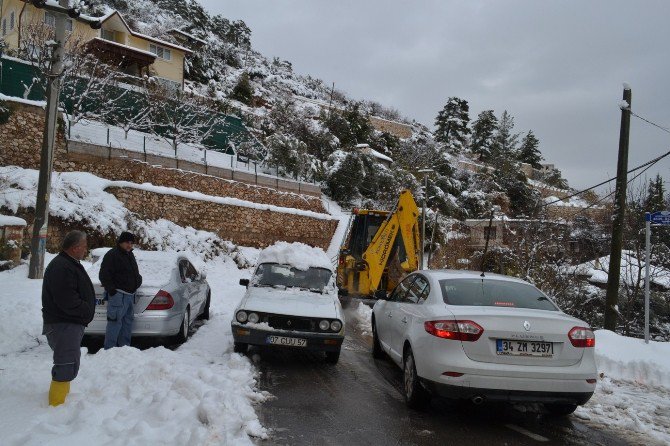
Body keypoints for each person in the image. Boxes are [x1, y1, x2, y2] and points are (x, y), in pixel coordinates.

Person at [42, 230, 95, 407]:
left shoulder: (68, 263)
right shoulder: (62, 267)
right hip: (63, 324)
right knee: (66, 363)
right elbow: (67, 299)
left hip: (68, 323)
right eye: (84, 246)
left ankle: (61, 402)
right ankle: (56, 405)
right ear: (75, 247)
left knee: (69, 361)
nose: (86, 250)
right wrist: (86, 309)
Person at [100, 231, 142, 349]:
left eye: (131, 243)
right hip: (118, 296)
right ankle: (109, 350)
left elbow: (134, 272)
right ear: (120, 242)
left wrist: (138, 280)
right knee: (114, 323)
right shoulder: (112, 255)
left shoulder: (129, 254)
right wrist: (112, 290)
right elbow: (104, 275)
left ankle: (124, 350)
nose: (129, 245)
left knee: (127, 324)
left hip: (129, 295)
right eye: (127, 242)